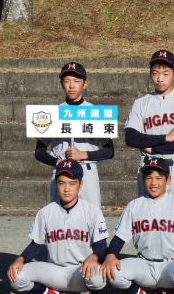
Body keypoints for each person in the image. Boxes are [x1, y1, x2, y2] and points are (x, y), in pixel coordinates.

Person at [100, 158, 174, 294]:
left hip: (171, 264)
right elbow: (119, 237)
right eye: (149, 177)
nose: (153, 182)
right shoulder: (134, 205)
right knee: (112, 272)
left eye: (159, 178)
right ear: (143, 180)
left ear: (168, 180)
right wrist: (111, 255)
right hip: (144, 264)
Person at [7, 160, 109, 294]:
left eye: (72, 183)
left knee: (97, 274)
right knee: (16, 277)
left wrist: (94, 257)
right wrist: (20, 259)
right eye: (62, 183)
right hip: (54, 271)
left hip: (81, 272)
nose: (67, 188)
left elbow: (102, 245)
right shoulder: (45, 212)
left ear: (81, 184)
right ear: (56, 184)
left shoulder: (92, 211)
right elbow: (36, 245)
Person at [124, 49, 174, 205]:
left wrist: (154, 149)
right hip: (148, 165)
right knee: (146, 212)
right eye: (155, 73)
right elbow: (131, 137)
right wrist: (165, 138)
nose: (160, 78)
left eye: (165, 73)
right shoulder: (140, 103)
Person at [34, 62, 114, 207]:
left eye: (76, 81)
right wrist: (56, 162)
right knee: (58, 215)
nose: (71, 85)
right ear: (61, 84)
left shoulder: (96, 113)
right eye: (67, 81)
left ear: (85, 84)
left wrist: (84, 154)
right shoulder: (53, 114)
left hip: (87, 169)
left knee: (91, 215)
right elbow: (39, 151)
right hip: (61, 171)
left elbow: (109, 151)